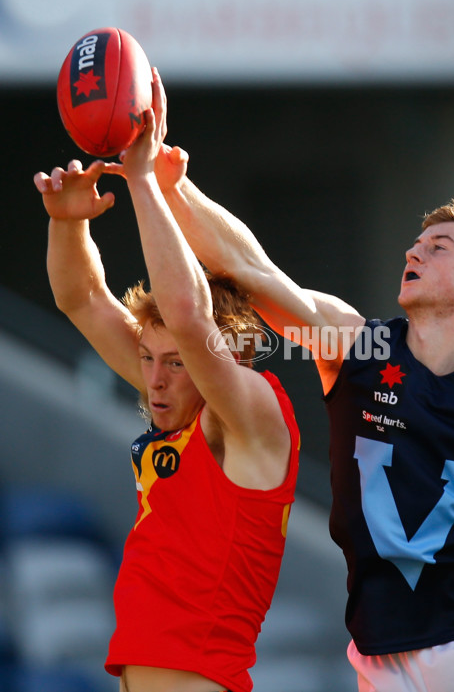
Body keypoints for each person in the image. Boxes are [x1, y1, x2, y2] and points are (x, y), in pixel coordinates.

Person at [132, 72, 454, 691]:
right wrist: (171, 182)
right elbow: (248, 267)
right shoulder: (359, 344)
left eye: (439, 247)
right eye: (415, 242)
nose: (415, 252)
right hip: (380, 655)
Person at [33, 71, 300, 692]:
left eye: (176, 363)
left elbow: (187, 315)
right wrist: (67, 222)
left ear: (223, 356)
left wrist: (144, 178)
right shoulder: (177, 400)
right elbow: (82, 298)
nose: (152, 379)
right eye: (149, 358)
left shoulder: (250, 414)